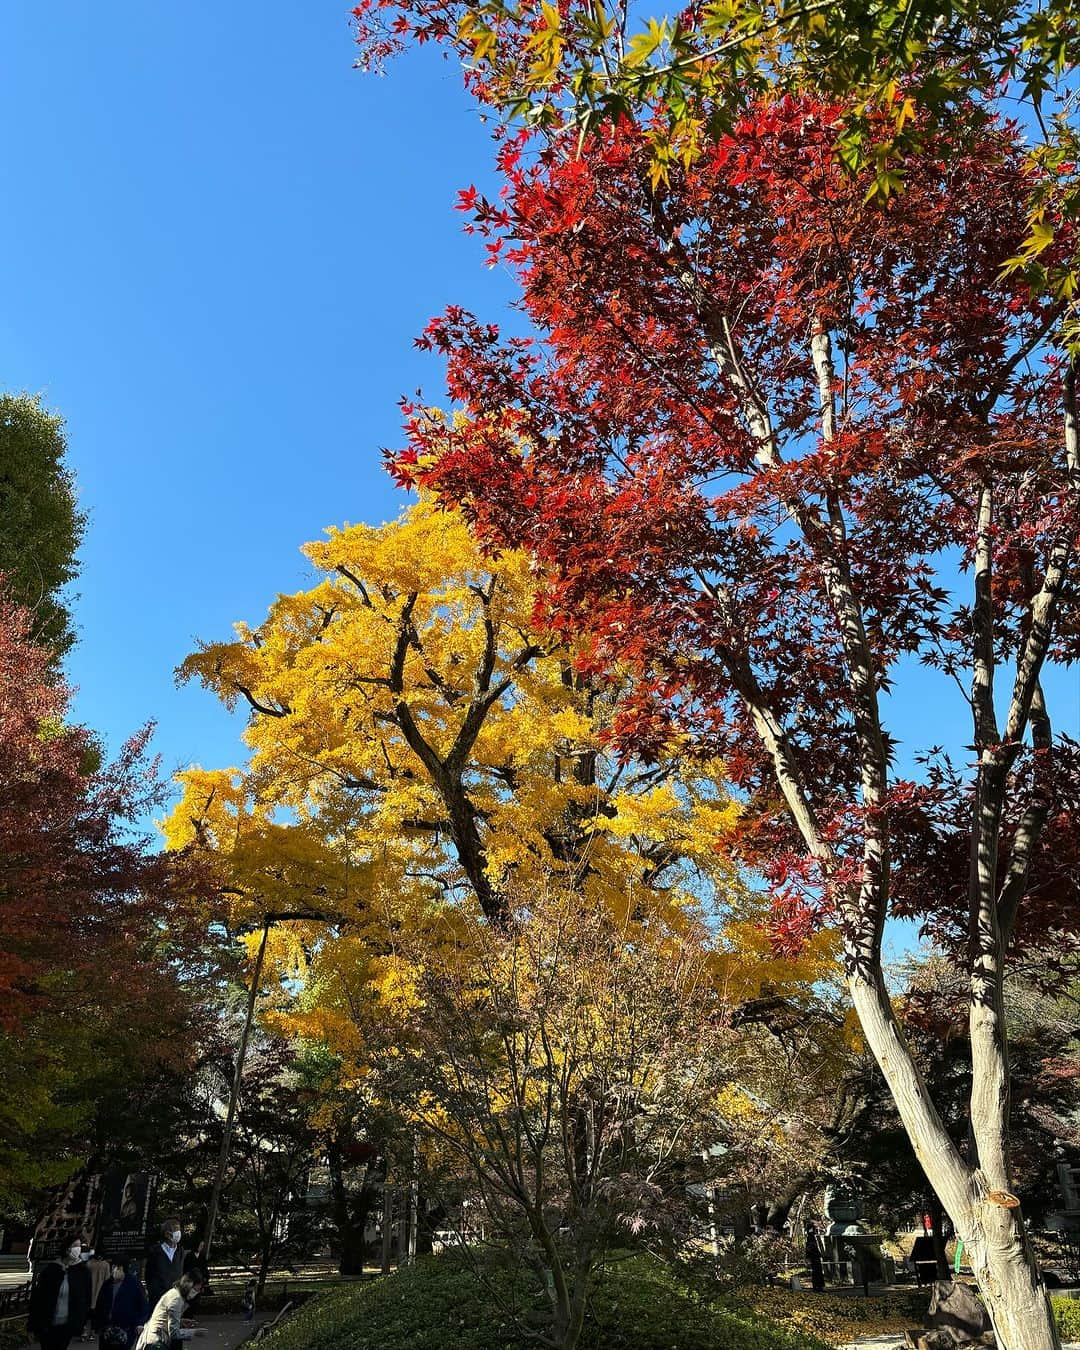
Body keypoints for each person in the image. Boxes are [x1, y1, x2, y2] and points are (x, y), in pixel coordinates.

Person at [27, 1234, 93, 1350]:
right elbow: (38, 1299)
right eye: (75, 1246)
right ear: (67, 1248)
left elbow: (85, 1298)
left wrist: (82, 1321)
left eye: (79, 1246)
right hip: (47, 1323)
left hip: (67, 1325)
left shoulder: (83, 1272)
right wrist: (32, 1326)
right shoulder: (51, 1270)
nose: (78, 1249)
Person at [133, 1273, 206, 1350]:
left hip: (153, 1338)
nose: (196, 1293)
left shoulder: (174, 1293)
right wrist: (194, 1332)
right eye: (195, 1289)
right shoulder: (177, 1300)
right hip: (156, 1341)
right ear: (188, 1286)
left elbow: (164, 1317)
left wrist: (180, 1322)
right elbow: (174, 1333)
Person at [143, 1222, 185, 1311]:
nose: (178, 1233)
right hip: (158, 1297)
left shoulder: (180, 1251)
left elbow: (180, 1272)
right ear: (167, 1234)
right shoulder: (155, 1251)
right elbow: (149, 1275)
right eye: (175, 1230)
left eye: (179, 1230)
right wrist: (154, 1291)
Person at [110, 1261, 150, 1350]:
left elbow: (143, 1304)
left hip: (127, 1326)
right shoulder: (109, 1283)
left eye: (115, 1268)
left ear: (121, 1269)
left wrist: (140, 1323)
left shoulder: (134, 1283)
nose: (113, 1271)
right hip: (110, 1326)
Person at [91, 1264, 128, 1350]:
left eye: (118, 1268)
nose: (115, 1270)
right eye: (114, 1267)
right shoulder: (107, 1284)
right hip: (106, 1326)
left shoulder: (131, 1284)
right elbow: (100, 1304)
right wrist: (98, 1325)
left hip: (123, 1326)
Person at [804, 1221, 826, 1292]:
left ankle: (818, 1286)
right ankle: (817, 1287)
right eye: (814, 1229)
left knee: (817, 1272)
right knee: (816, 1272)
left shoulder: (812, 1236)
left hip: (815, 1257)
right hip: (814, 1257)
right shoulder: (810, 1237)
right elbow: (810, 1248)